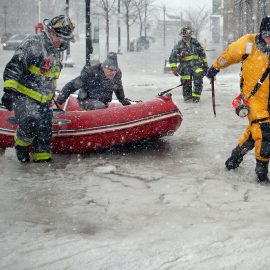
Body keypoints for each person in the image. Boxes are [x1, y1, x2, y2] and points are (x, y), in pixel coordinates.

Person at [1, 15, 75, 163]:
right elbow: (14, 67)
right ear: (51, 33)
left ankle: (42, 169)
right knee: (30, 124)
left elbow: (49, 76)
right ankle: (21, 146)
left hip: (45, 101)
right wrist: (9, 91)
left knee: (44, 135)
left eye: (65, 40)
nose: (63, 43)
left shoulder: (56, 50)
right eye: (61, 38)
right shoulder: (34, 44)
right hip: (25, 97)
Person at [206, 16, 270, 183]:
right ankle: (262, 174)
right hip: (254, 99)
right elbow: (230, 54)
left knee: (254, 132)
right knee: (264, 133)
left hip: (269, 101)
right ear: (262, 33)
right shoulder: (249, 44)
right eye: (267, 35)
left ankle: (234, 159)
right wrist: (215, 67)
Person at [56, 52, 131, 110]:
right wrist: (59, 102)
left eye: (115, 70)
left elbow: (118, 88)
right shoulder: (91, 72)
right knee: (100, 106)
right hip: (86, 100)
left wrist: (123, 101)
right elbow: (71, 85)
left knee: (102, 105)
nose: (113, 73)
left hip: (103, 101)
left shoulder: (117, 74)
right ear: (104, 67)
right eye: (110, 70)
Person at [169, 26, 208, 103]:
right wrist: (174, 68)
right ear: (182, 36)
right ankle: (188, 99)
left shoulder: (196, 43)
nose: (186, 38)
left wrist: (205, 64)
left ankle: (196, 98)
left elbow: (202, 54)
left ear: (190, 35)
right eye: (184, 36)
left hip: (197, 66)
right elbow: (172, 57)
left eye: (188, 36)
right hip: (184, 68)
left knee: (198, 81)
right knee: (186, 83)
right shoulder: (178, 45)